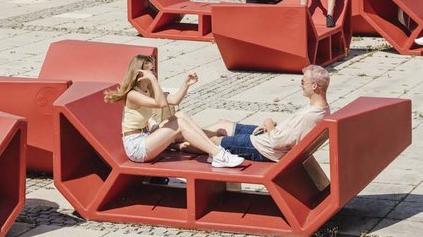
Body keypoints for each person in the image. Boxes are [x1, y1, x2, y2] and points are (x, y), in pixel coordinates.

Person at [104, 55, 244, 168]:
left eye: (154, 70)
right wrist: (153, 80)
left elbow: (174, 100)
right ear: (139, 74)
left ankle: (213, 152)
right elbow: (161, 103)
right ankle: (218, 154)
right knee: (180, 125)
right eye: (150, 71)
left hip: (146, 136)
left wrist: (186, 85)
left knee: (180, 116)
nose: (154, 73)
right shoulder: (133, 95)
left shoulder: (148, 90)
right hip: (136, 147)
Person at [197, 65, 331, 163]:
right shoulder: (322, 109)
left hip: (263, 149)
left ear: (314, 86)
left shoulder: (310, 115)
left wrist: (269, 124)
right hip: (266, 138)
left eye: (303, 82)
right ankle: (184, 135)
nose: (301, 85)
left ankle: (180, 142)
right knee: (224, 125)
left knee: (214, 141)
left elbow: (277, 142)